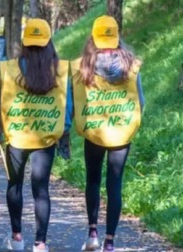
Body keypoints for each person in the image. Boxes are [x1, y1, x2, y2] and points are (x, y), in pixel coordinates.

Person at [71, 15, 144, 252]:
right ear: (116, 37)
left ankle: (92, 233)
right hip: (121, 132)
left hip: (94, 131)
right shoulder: (131, 66)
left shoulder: (83, 65)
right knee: (115, 184)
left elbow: (75, 101)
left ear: (93, 36)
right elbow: (139, 101)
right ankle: (109, 242)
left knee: (92, 180)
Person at [0, 19, 72, 252]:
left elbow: (1, 100)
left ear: (25, 42)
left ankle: (17, 237)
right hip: (46, 137)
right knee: (41, 190)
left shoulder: (10, 67)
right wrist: (64, 132)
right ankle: (40, 243)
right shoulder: (60, 70)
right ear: (49, 41)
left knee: (14, 185)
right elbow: (67, 106)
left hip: (17, 136)